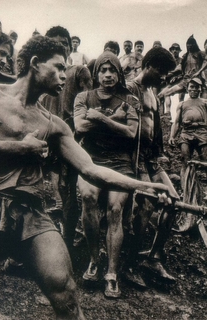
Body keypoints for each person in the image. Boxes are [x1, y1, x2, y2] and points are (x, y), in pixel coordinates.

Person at [0, 35, 174, 320]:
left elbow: (92, 170)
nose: (64, 75)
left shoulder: (55, 125)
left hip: (31, 211)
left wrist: (145, 185)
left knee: (67, 293)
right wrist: (19, 148)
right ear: (35, 63)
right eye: (58, 67)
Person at [73, 51, 140, 298]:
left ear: (119, 74)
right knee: (89, 198)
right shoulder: (83, 97)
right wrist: (116, 120)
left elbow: (131, 133)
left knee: (115, 209)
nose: (108, 75)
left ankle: (111, 272)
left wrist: (101, 117)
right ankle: (93, 259)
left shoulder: (130, 99)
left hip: (120, 162)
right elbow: (79, 126)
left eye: (112, 71)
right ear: (96, 73)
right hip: (90, 159)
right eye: (103, 70)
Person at [125, 47, 178, 284]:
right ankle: (129, 262)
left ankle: (153, 258)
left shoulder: (153, 94)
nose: (165, 78)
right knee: (146, 205)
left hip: (150, 159)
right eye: (163, 71)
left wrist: (160, 155)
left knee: (173, 200)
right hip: (132, 158)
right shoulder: (128, 88)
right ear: (149, 66)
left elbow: (155, 129)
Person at [40, 26, 93, 247]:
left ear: (70, 46)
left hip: (68, 136)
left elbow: (89, 100)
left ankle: (67, 241)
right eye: (52, 42)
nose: (58, 46)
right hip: (43, 135)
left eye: (63, 43)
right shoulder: (40, 74)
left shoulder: (79, 70)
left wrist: (78, 135)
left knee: (68, 189)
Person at [169, 77, 207, 206]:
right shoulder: (182, 104)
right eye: (192, 87)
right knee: (186, 161)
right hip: (186, 132)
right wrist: (172, 136)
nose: (194, 89)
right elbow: (177, 122)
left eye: (197, 87)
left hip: (202, 132)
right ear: (187, 89)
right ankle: (186, 191)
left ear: (200, 88)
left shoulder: (205, 102)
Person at [158, 35, 207, 100]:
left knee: (203, 101)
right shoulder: (186, 56)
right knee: (163, 93)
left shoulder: (199, 53)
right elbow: (179, 68)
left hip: (196, 81)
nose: (189, 46)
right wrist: (169, 75)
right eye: (188, 44)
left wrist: (199, 71)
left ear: (194, 44)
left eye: (191, 44)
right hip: (185, 80)